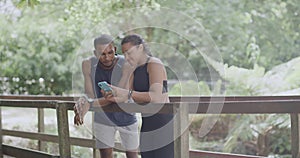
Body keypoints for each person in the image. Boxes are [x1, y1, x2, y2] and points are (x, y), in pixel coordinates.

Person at [104, 34, 174, 158]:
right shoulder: (134, 68)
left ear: (140, 48)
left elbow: (156, 97)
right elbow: (126, 96)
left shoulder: (154, 63)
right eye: (124, 53)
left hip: (163, 122)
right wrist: (112, 94)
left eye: (129, 52)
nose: (126, 57)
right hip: (147, 122)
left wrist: (126, 93)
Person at [74, 34, 139, 158]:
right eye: (102, 54)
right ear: (95, 53)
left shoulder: (126, 63)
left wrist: (90, 103)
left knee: (132, 156)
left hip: (126, 116)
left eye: (110, 52)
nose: (107, 57)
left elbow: (120, 97)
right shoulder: (88, 64)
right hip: (103, 118)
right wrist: (83, 102)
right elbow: (90, 94)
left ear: (115, 49)